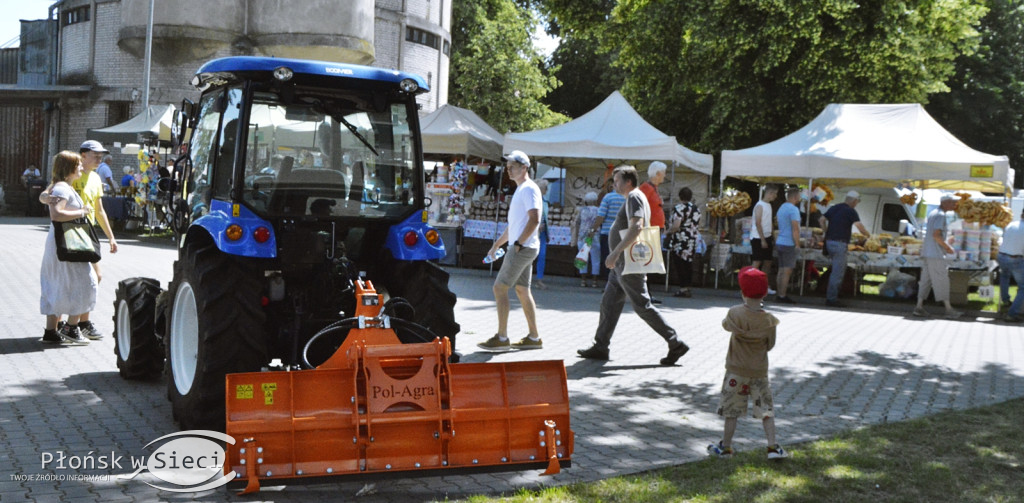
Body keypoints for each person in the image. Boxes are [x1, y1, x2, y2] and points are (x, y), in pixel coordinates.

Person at [576, 165, 689, 365]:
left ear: (628, 181)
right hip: (623, 264)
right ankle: (601, 345)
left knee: (642, 305)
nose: (614, 184)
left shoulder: (635, 196)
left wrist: (615, 252)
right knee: (609, 303)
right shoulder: (634, 196)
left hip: (627, 262)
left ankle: (675, 342)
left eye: (617, 180)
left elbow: (637, 226)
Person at [707, 266, 789, 460]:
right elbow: (770, 344)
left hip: (735, 371)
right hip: (759, 371)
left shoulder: (735, 313)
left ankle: (726, 447)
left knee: (731, 410)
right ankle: (772, 447)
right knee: (766, 409)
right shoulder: (769, 320)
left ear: (742, 292)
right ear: (765, 294)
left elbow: (726, 325)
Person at [40, 140, 119, 339]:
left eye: (101, 155)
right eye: (95, 155)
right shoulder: (66, 182)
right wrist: (78, 211)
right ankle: (71, 325)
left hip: (84, 235)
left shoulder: (94, 179)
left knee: (88, 278)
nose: (99, 159)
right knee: (81, 280)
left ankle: (74, 324)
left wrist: (111, 237)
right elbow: (50, 197)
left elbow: (99, 210)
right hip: (70, 236)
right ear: (82, 156)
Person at [478, 150, 544, 352]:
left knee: (500, 288)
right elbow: (515, 225)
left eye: (512, 166)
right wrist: (498, 244)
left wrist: (518, 243)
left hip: (523, 248)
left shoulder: (528, 189)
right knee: (522, 290)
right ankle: (534, 338)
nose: (509, 170)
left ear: (525, 167)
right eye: (507, 167)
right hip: (525, 247)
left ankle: (502, 337)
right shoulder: (523, 189)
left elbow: (535, 219)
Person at [39, 151, 97, 345]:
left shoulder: (60, 186)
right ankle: (72, 327)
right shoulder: (63, 188)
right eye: (79, 164)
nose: (82, 167)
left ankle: (50, 331)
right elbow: (56, 215)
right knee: (84, 281)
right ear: (70, 168)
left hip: (59, 242)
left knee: (57, 281)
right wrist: (83, 211)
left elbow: (46, 197)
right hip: (67, 242)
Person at [913, 195, 962, 319]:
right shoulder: (941, 215)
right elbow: (936, 235)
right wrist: (947, 247)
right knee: (942, 280)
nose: (955, 205)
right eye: (953, 203)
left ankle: (919, 307)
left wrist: (945, 242)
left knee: (925, 281)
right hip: (936, 254)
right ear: (946, 203)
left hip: (928, 253)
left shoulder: (933, 213)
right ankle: (948, 309)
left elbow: (934, 234)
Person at [819, 190, 870, 307]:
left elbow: (821, 220)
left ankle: (833, 293)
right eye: (857, 202)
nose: (856, 204)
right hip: (840, 243)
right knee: (837, 272)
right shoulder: (851, 211)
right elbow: (860, 227)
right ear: (854, 201)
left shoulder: (834, 207)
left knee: (834, 270)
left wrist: (826, 232)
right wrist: (869, 235)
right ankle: (831, 298)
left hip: (829, 242)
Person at [639, 161, 668, 304]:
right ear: (657, 174)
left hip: (654, 230)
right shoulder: (647, 188)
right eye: (664, 172)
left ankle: (646, 293)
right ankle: (644, 294)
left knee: (648, 263)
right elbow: (638, 207)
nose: (665, 175)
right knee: (645, 263)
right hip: (648, 230)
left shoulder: (653, 188)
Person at [667, 187, 701, 298]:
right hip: (692, 238)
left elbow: (676, 225)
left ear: (680, 196)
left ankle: (683, 288)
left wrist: (668, 231)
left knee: (679, 264)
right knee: (688, 263)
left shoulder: (679, 208)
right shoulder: (696, 209)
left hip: (680, 239)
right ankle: (688, 287)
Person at [592, 178, 626, 281]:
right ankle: (620, 281)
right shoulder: (627, 198)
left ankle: (610, 282)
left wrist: (593, 230)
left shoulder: (608, 197)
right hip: (623, 233)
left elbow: (601, 216)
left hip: (608, 233)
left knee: (608, 258)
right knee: (621, 259)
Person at [774, 187, 802, 304]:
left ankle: (779, 293)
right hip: (788, 242)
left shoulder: (782, 207)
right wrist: (797, 244)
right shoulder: (793, 210)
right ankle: (782, 295)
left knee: (781, 270)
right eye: (799, 196)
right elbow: (795, 228)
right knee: (787, 270)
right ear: (795, 197)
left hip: (780, 241)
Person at [997, 208, 1024, 322]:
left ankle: (1006, 301)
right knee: (1023, 287)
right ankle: (1012, 313)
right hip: (1015, 258)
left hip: (1001, 255)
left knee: (1004, 277)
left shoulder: (1012, 224)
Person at [750, 185, 778, 294]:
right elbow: (758, 223)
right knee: (757, 261)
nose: (775, 196)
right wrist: (762, 239)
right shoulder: (759, 205)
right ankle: (750, 284)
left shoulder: (769, 205)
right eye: (774, 194)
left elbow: (769, 221)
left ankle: (764, 286)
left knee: (767, 262)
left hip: (767, 235)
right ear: (770, 193)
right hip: (758, 237)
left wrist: (771, 235)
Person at [573, 191, 602, 287]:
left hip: (582, 237)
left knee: (582, 258)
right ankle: (594, 281)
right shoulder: (599, 210)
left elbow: (577, 223)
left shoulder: (582, 210)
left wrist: (577, 235)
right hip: (595, 236)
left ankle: (583, 281)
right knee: (595, 259)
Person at [534, 179, 550, 290]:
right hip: (533, 231)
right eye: (545, 188)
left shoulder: (544, 201)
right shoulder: (533, 200)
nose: (547, 190)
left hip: (543, 232)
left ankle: (539, 279)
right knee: (529, 255)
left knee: (542, 255)